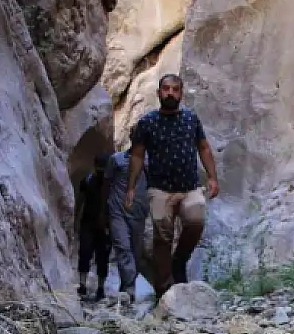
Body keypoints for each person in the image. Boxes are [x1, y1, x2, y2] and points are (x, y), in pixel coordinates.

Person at [124, 74, 219, 301]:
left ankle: (179, 262)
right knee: (162, 237)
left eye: (175, 89)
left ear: (181, 94)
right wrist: (131, 187)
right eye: (166, 89)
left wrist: (213, 177)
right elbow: (137, 156)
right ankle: (164, 290)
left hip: (190, 187)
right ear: (158, 93)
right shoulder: (147, 123)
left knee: (196, 222)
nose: (170, 93)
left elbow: (203, 148)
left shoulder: (191, 119)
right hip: (160, 189)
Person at [103, 128, 149, 301]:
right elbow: (106, 185)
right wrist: (103, 211)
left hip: (139, 213)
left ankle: (127, 285)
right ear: (131, 137)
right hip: (117, 211)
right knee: (123, 247)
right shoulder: (116, 160)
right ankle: (129, 289)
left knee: (136, 252)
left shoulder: (148, 163)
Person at [76, 153, 111, 301]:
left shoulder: (111, 183)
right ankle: (83, 285)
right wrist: (76, 218)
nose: (101, 170)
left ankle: (100, 288)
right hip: (88, 223)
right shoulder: (88, 181)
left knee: (102, 256)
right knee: (85, 252)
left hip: (103, 225)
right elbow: (80, 200)